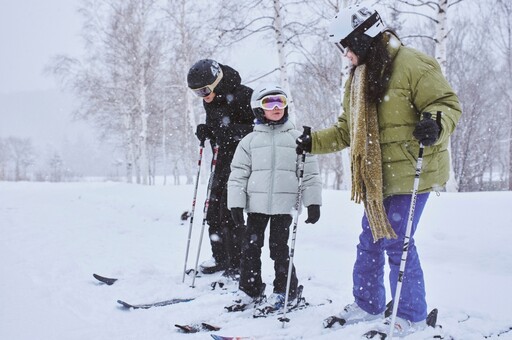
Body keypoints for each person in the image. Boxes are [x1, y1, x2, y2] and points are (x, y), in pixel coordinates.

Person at [295, 4, 461, 337]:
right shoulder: (357, 78)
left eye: (346, 45)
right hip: (377, 178)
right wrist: (313, 141)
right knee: (370, 240)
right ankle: (368, 303)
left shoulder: (414, 64)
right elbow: (346, 130)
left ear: (364, 37)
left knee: (397, 241)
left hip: (414, 169)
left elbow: (446, 104)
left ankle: (411, 314)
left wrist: (435, 123)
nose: (345, 55)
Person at [226, 84, 322, 316]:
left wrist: (313, 203)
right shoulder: (249, 141)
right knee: (250, 248)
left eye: (281, 101)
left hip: (284, 206)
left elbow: (310, 174)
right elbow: (238, 173)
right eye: (270, 103)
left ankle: (285, 291)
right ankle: (250, 290)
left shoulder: (298, 139)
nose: (277, 107)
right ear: (259, 109)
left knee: (279, 249)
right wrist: (236, 203)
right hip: (256, 206)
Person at [187, 59, 254, 278]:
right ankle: (220, 257)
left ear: (217, 80)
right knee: (212, 210)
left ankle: (237, 264)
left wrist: (232, 132)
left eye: (205, 90)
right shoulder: (210, 101)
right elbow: (217, 130)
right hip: (222, 160)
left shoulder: (245, 95)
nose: (203, 96)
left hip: (243, 163)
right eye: (197, 93)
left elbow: (259, 130)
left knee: (229, 212)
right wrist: (207, 131)